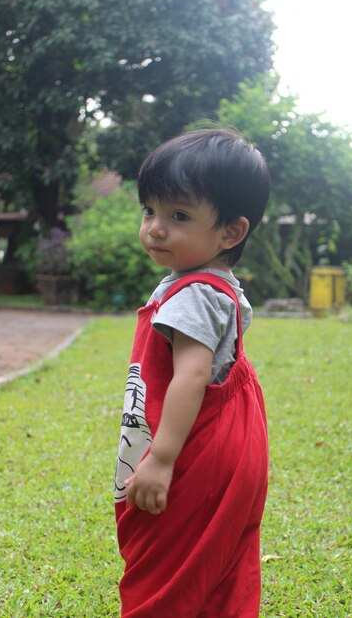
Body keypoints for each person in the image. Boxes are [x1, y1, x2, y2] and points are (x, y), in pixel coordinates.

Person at [114, 128, 270, 617]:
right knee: (216, 569)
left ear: (230, 232)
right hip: (231, 445)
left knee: (167, 571)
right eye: (150, 211)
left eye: (179, 215)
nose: (156, 227)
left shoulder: (194, 295)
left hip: (196, 453)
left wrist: (161, 459)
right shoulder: (213, 285)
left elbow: (191, 376)